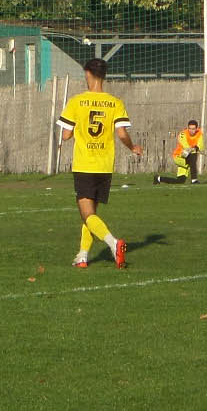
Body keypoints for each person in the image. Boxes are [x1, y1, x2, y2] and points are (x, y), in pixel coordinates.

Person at [57, 57, 145, 268]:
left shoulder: (76, 101)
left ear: (88, 74)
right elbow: (121, 134)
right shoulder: (115, 103)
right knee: (92, 214)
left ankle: (113, 244)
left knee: (87, 214)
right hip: (104, 165)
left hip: (84, 164)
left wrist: (78, 128)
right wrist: (132, 147)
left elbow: (66, 136)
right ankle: (82, 256)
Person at [158, 118, 205, 183]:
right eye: (189, 128)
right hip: (179, 157)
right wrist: (194, 149)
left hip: (187, 158)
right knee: (193, 157)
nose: (191, 131)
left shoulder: (199, 134)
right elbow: (186, 146)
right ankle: (194, 180)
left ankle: (159, 179)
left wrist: (197, 147)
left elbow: (201, 145)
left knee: (180, 181)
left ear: (196, 129)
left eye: (193, 129)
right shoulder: (183, 134)